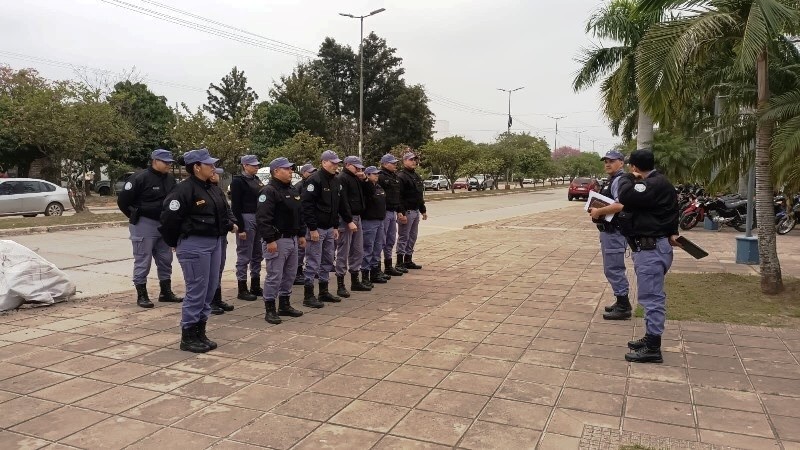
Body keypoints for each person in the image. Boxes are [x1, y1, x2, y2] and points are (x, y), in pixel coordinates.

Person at [160, 149, 237, 353]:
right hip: (194, 244)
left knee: (210, 290)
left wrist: (230, 226)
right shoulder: (183, 191)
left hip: (214, 243)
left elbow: (222, 214)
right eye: (209, 164)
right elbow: (168, 220)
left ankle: (200, 332)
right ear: (196, 167)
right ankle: (188, 335)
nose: (213, 167)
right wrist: (173, 241)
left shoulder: (211, 188)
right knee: (196, 291)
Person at [613, 149, 680, 364]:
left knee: (651, 298)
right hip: (652, 247)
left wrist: (625, 177)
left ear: (634, 167)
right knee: (650, 296)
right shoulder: (660, 183)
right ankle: (650, 337)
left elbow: (626, 196)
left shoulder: (652, 183)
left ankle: (653, 347)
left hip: (652, 249)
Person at [117, 149, 182, 308]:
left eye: (170, 162)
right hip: (144, 223)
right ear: (154, 161)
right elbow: (123, 202)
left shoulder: (170, 179)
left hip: (163, 224)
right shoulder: (139, 178)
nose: (168, 165)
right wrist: (135, 217)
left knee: (166, 259)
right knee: (143, 260)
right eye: (165, 162)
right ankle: (142, 295)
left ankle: (165, 292)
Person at [256, 157, 306, 324]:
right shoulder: (269, 191)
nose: (291, 171)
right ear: (276, 171)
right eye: (287, 169)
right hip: (277, 240)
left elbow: (299, 215)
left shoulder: (292, 190)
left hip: (292, 238)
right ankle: (270, 308)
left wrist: (301, 234)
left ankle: (285, 304)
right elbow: (263, 219)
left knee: (290, 274)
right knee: (274, 276)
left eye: (291, 168)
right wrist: (270, 239)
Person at [587, 150, 631, 320]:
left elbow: (621, 205)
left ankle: (623, 305)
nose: (607, 163)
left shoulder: (619, 180)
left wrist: (599, 210)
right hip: (609, 231)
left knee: (614, 268)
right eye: (605, 160)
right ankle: (620, 301)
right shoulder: (613, 180)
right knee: (611, 268)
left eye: (612, 161)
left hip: (615, 232)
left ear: (621, 162)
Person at [300, 150, 342, 307]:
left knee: (327, 260)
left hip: (329, 228)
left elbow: (335, 206)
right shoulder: (314, 180)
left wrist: (336, 226)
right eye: (333, 163)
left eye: (337, 163)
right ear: (324, 162)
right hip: (316, 228)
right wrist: (312, 228)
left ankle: (324, 291)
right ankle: (308, 295)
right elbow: (307, 206)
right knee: (313, 261)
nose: (335, 165)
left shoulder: (335, 180)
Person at [229, 155, 264, 302]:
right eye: (253, 165)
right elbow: (235, 206)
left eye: (257, 165)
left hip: (257, 217)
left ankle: (255, 284)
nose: (256, 167)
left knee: (257, 253)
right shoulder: (238, 181)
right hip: (246, 217)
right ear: (244, 165)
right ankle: (242, 288)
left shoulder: (256, 180)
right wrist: (241, 228)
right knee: (244, 255)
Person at [336, 155, 372, 295]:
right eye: (355, 166)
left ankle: (355, 280)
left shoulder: (357, 178)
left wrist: (365, 179)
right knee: (343, 251)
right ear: (347, 165)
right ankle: (340, 283)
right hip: (347, 219)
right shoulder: (342, 178)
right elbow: (343, 202)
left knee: (358, 250)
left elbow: (369, 193)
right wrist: (349, 220)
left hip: (357, 217)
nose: (358, 169)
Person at [209, 167, 235, 315]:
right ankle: (210, 301)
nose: (216, 174)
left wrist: (233, 222)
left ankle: (217, 299)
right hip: (210, 236)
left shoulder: (218, 191)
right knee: (210, 271)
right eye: (213, 172)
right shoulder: (201, 191)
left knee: (218, 268)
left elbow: (226, 210)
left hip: (221, 235)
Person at [396, 151, 427, 270]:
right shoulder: (401, 176)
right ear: (404, 161)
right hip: (407, 212)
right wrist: (401, 212)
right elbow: (399, 197)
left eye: (415, 160)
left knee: (412, 237)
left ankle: (408, 259)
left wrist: (423, 210)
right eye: (411, 159)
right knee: (404, 237)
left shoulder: (416, 176)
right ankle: (399, 262)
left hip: (415, 211)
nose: (414, 162)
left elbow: (419, 195)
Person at [378, 153, 406, 277]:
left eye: (395, 163)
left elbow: (397, 196)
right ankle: (376, 267)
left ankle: (388, 266)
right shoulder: (380, 177)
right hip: (383, 212)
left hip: (393, 212)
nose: (395, 165)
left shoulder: (394, 177)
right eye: (392, 163)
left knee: (390, 240)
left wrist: (400, 211)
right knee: (380, 241)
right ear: (385, 164)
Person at [361, 166, 390, 285]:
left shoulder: (378, 187)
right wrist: (366, 182)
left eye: (377, 174)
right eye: (374, 174)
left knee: (378, 247)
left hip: (380, 220)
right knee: (368, 248)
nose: (377, 176)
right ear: (367, 175)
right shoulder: (366, 188)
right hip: (369, 221)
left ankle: (375, 271)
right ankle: (365, 275)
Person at [293, 163, 317, 286]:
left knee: (311, 249)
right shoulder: (299, 186)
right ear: (303, 173)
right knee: (301, 249)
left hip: (312, 220)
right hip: (302, 220)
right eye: (310, 171)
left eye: (313, 171)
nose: (312, 173)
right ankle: (297, 272)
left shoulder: (314, 184)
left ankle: (310, 270)